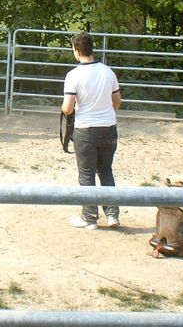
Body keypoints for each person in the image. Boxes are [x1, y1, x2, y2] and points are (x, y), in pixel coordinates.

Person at [61, 31, 122, 230]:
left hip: (85, 130)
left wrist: (65, 110)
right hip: (109, 128)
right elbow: (117, 101)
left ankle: (89, 218)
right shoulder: (108, 72)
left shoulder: (74, 75)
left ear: (77, 51)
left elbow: (68, 107)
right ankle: (112, 214)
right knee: (106, 170)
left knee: (86, 174)